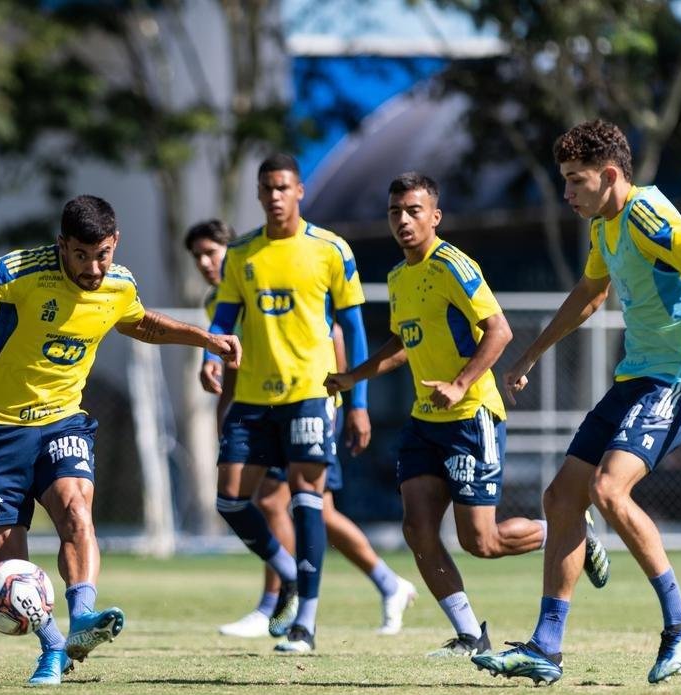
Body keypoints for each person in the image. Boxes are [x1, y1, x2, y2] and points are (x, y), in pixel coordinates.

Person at [0, 195, 240, 686]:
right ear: (62, 245)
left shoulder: (119, 283)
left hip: (63, 420)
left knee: (76, 511)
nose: (92, 267)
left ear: (115, 243)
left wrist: (204, 339)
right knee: (12, 562)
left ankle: (84, 615)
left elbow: (139, 322)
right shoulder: (24, 269)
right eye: (81, 255)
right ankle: (53, 648)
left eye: (102, 254)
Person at [473, 120, 681, 684]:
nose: (566, 194)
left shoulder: (645, 214)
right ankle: (546, 647)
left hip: (674, 382)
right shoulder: (605, 227)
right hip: (635, 378)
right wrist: (530, 355)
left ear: (610, 176)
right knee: (562, 497)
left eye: (574, 181)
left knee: (608, 491)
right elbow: (590, 294)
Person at [326, 172, 607, 658]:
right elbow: (404, 343)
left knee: (481, 541)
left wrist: (459, 385)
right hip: (424, 422)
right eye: (395, 212)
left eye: (414, 211)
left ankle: (565, 533)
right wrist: (356, 376)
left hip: (471, 417)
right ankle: (470, 635)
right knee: (416, 529)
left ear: (435, 216)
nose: (403, 220)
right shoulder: (398, 276)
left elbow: (498, 331)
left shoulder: (453, 264)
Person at [184, 219, 416, 637]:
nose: (205, 262)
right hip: (262, 406)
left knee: (276, 503)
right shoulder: (216, 303)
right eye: (197, 256)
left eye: (211, 252)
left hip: (312, 401)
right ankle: (388, 583)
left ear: (234, 250)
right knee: (317, 512)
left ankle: (275, 602)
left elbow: (335, 334)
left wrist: (347, 397)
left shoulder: (277, 268)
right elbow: (238, 360)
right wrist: (225, 410)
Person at [199, 153, 368, 654]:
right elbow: (222, 317)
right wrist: (211, 351)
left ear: (299, 192)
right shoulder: (241, 254)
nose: (274, 196)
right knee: (230, 498)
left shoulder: (331, 250)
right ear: (258, 194)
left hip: (310, 394)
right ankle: (288, 573)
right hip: (252, 396)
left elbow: (353, 329)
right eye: (267, 188)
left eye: (283, 187)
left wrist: (357, 400)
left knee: (305, 499)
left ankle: (306, 623)